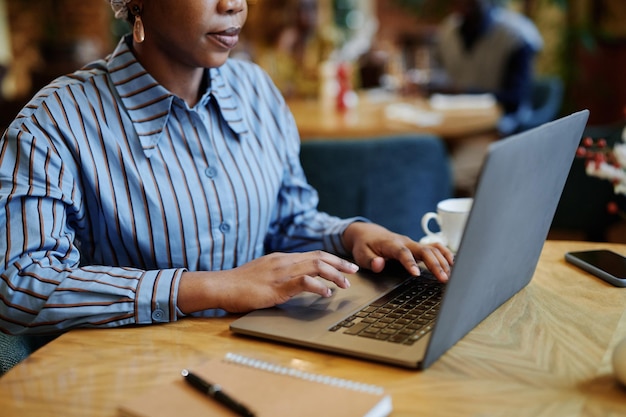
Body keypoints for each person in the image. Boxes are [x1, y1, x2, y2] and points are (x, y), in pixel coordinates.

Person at [0, 0, 453, 337]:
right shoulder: (54, 123)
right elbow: (19, 287)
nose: (234, 5)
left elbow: (286, 221)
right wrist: (214, 287)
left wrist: (352, 236)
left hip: (260, 351)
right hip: (134, 371)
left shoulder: (254, 88)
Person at [432, 0, 543, 136]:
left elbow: (514, 101)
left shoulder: (516, 35)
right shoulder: (448, 31)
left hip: (501, 126)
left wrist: (465, 93)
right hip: (453, 122)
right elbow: (437, 75)